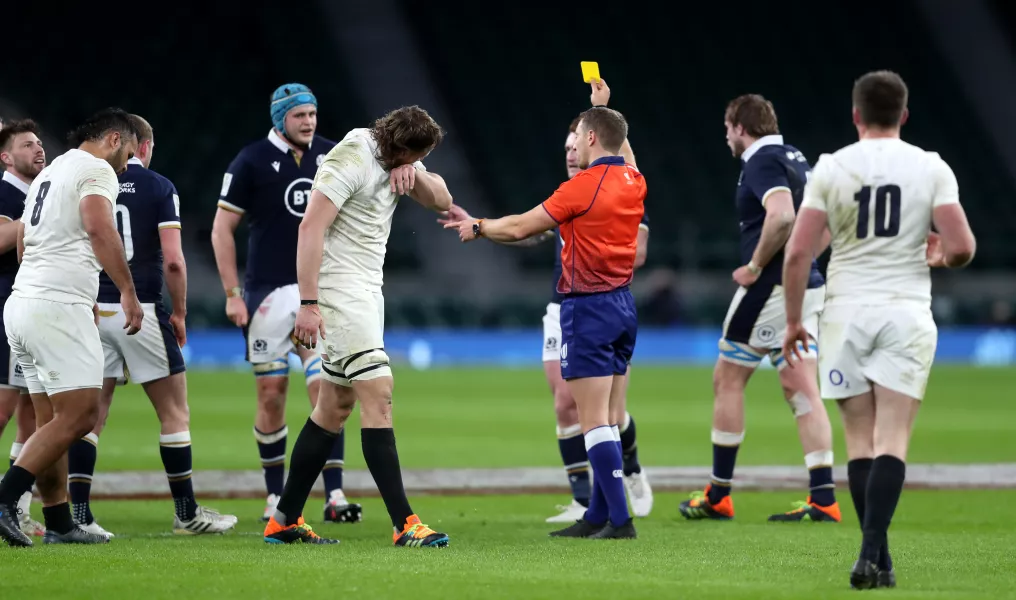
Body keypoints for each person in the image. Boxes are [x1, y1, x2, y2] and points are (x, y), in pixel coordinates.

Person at [782, 70, 976, 589]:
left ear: (855, 115)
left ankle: (875, 556)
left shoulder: (833, 166)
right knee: (893, 438)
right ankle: (873, 555)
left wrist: (795, 320)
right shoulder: (930, 167)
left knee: (858, 442)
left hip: (847, 311)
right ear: (904, 115)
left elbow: (800, 251)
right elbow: (961, 246)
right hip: (905, 310)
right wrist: (939, 256)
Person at [448, 80, 646, 540]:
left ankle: (620, 520)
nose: (573, 141)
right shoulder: (633, 179)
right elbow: (624, 152)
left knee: (593, 419)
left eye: (579, 134)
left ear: (591, 139)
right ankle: (597, 514)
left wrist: (477, 226)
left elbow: (520, 228)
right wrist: (604, 111)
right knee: (606, 415)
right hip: (622, 305)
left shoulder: (581, 187)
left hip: (587, 307)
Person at [261, 105, 452, 546]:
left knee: (334, 407)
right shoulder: (353, 155)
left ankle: (284, 519)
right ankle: (405, 523)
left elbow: (442, 199)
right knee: (379, 394)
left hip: (367, 291)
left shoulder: (397, 153)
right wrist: (308, 303)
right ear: (398, 145)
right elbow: (310, 227)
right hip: (341, 291)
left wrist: (415, 173)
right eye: (413, 158)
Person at [66, 114, 237, 538]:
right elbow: (175, 260)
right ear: (143, 147)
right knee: (174, 414)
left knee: (91, 417)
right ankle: (186, 513)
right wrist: (178, 312)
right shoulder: (160, 187)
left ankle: (80, 517)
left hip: (92, 310)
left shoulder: (88, 185)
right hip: (137, 307)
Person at [679, 94, 840, 524]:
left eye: (727, 128)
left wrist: (755, 266)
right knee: (802, 385)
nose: (726, 137)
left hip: (770, 289)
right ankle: (824, 498)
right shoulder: (798, 158)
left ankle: (718, 494)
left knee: (728, 377)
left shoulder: (761, 160)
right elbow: (825, 224)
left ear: (740, 126)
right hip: (807, 286)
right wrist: (803, 264)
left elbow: (783, 215)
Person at [211, 84, 359, 523]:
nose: (309, 122)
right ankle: (275, 496)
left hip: (318, 293)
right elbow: (222, 230)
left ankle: (334, 495)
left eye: (313, 113)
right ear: (280, 119)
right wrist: (232, 294)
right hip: (266, 297)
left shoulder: (333, 156)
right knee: (272, 394)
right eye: (299, 115)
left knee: (325, 388)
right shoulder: (251, 160)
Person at [0, 108, 143, 547]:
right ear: (115, 140)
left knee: (49, 420)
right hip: (58, 307)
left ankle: (59, 520)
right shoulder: (96, 168)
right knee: (82, 414)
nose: (128, 164)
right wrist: (128, 291)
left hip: (23, 303)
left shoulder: (53, 169)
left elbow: (23, 240)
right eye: (130, 153)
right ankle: (5, 498)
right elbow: (100, 227)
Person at [0, 119, 46, 536]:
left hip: (24, 306)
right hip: (5, 308)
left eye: (39, 143)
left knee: (30, 412)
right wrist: (38, 218)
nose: (38, 149)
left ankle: (16, 505)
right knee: (5, 409)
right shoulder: (8, 192)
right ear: (6, 157)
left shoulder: (33, 194)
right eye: (27, 144)